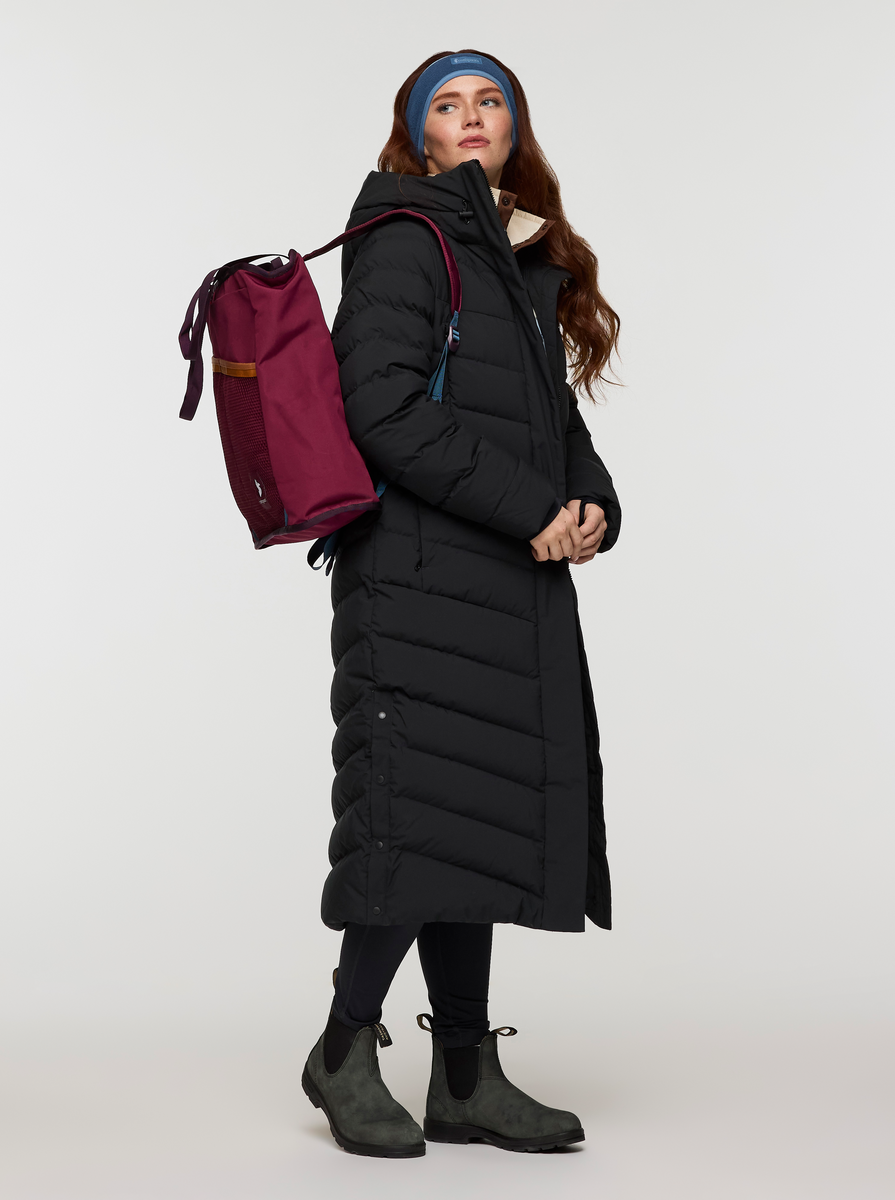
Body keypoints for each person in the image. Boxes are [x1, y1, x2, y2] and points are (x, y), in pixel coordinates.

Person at [300, 49, 622, 1158]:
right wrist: (531, 508)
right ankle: (344, 1046)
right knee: (410, 814)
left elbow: (549, 420)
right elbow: (382, 410)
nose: (473, 116)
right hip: (417, 577)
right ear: (419, 135)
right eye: (449, 104)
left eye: (492, 101)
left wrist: (589, 502)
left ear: (515, 127)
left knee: (474, 818)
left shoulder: (513, 251)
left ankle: (467, 1076)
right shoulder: (408, 236)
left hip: (500, 577)